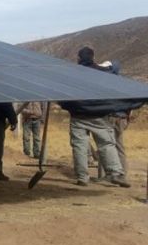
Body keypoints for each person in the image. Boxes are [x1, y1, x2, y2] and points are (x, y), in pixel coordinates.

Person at [59, 47, 141, 187]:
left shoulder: (72, 73)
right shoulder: (103, 72)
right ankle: (115, 173)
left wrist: (66, 106)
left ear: (79, 58)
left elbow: (63, 94)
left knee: (79, 147)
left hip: (78, 116)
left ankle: (82, 178)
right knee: (106, 144)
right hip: (100, 115)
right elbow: (115, 67)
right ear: (93, 57)